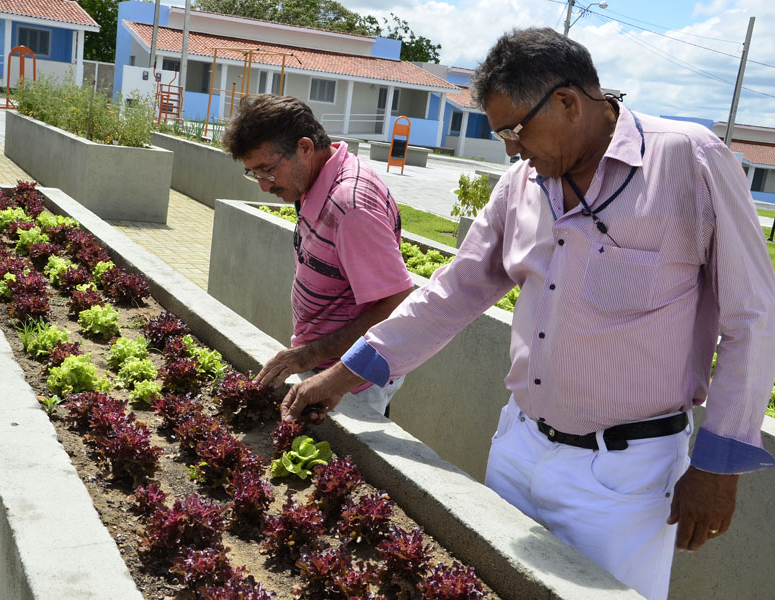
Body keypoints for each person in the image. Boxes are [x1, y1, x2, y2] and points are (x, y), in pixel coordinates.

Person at [279, 28, 775, 600]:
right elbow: (454, 290)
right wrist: (342, 374)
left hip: (622, 478)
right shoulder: (522, 184)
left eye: (515, 130)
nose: (511, 151)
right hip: (518, 447)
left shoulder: (689, 160)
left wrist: (718, 467)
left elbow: (754, 318)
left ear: (567, 102)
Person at [221, 94, 414, 415]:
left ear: (305, 148)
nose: (263, 186)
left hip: (350, 383)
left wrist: (305, 357)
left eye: (267, 170)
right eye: (254, 173)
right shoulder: (314, 180)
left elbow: (396, 304)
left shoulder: (351, 206)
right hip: (322, 366)